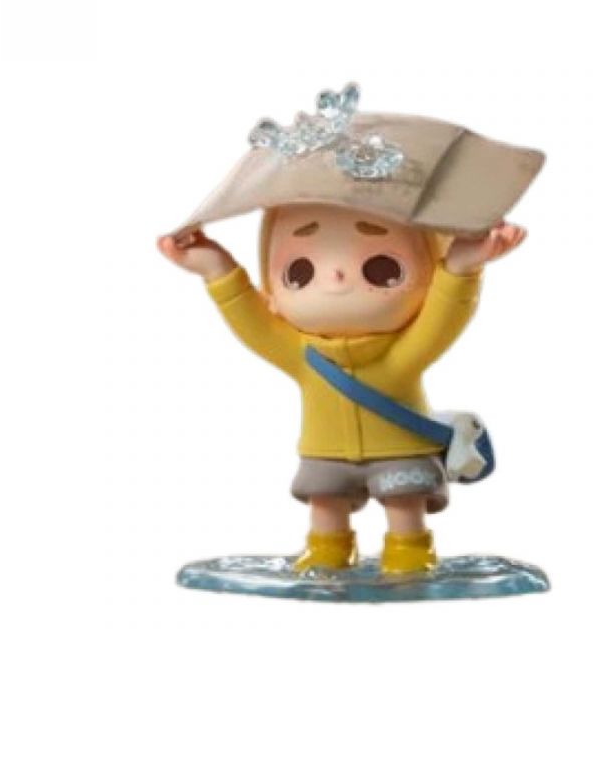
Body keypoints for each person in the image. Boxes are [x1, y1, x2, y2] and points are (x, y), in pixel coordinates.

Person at [158, 84, 544, 574]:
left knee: (404, 507)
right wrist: (216, 270)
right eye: (300, 271)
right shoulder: (299, 352)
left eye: (381, 268)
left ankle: (411, 557)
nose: (337, 277)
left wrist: (462, 268)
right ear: (272, 288)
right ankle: (326, 554)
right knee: (325, 506)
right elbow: (250, 321)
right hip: (324, 453)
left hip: (400, 450)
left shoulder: (401, 354)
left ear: (426, 273)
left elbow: (444, 319)